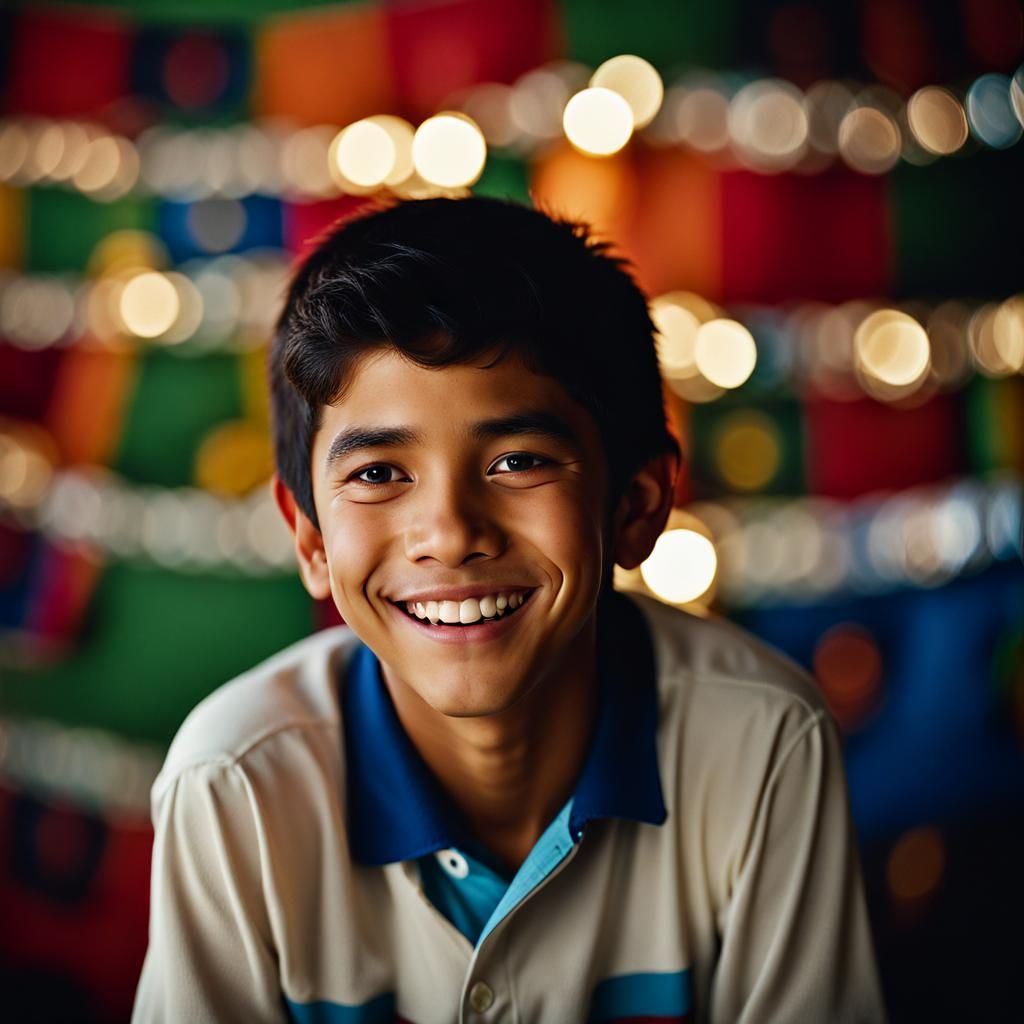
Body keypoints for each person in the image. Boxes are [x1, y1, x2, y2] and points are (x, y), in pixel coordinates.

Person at [133, 196, 886, 1023]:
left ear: (635, 508)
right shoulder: (236, 783)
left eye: (518, 460)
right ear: (310, 539)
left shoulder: (762, 741)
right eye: (380, 473)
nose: (450, 535)